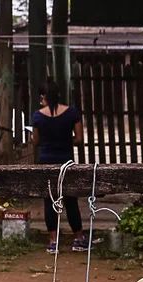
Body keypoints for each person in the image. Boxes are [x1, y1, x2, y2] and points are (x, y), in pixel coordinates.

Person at [31, 83, 88, 252]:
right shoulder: (71, 113)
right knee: (71, 200)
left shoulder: (38, 116)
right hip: (66, 161)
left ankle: (53, 241)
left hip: (46, 161)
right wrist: (64, 140)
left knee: (49, 200)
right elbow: (79, 139)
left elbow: (36, 141)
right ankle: (78, 238)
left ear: (44, 98)